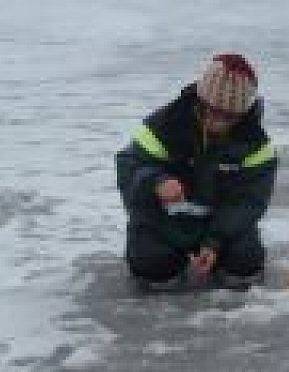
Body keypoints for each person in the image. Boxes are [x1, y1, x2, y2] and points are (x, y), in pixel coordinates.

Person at [114, 53, 277, 291]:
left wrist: (214, 242)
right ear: (201, 101)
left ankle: (224, 262)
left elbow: (249, 201)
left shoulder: (256, 144)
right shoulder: (165, 125)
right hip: (164, 222)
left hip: (218, 226)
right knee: (151, 263)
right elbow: (129, 168)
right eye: (212, 111)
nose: (218, 121)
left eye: (229, 116)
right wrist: (156, 181)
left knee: (245, 261)